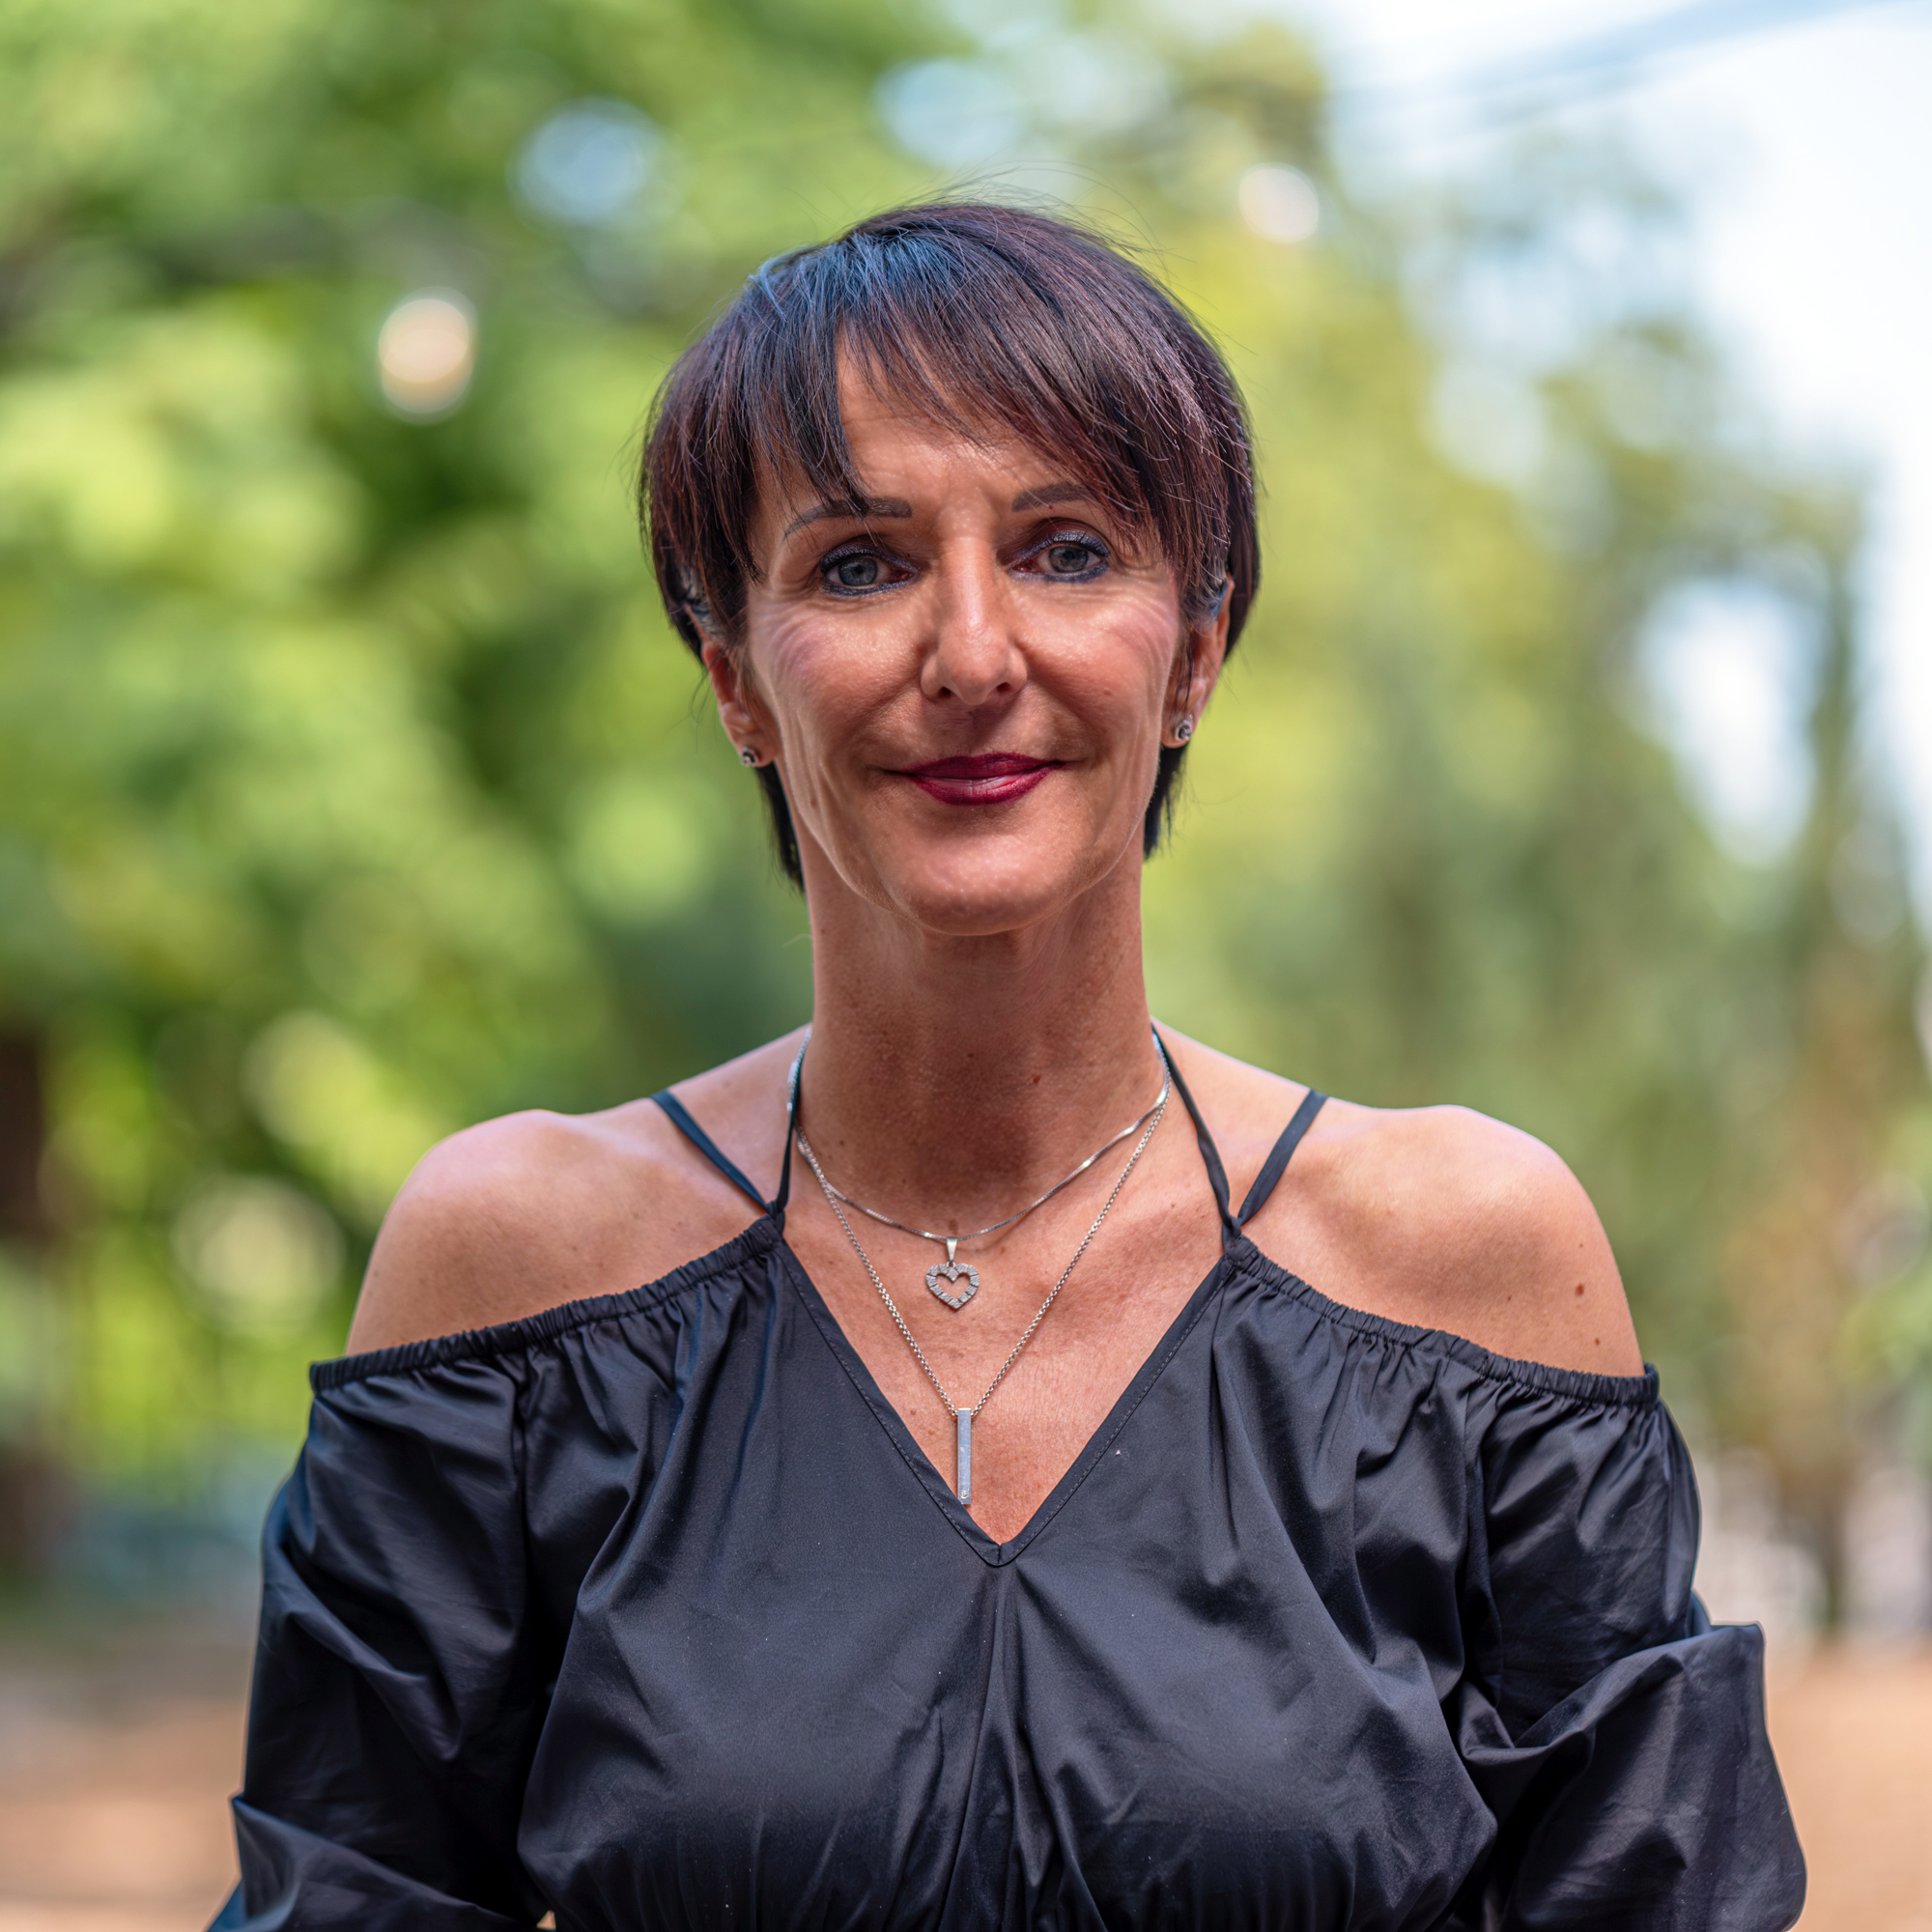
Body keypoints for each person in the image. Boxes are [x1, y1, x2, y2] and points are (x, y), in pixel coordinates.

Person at [214, 203, 1803, 1929]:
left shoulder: (1464, 1269)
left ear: (1196, 650)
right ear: (734, 678)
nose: (973, 654)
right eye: (859, 564)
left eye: (1065, 550)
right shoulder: (516, 1278)